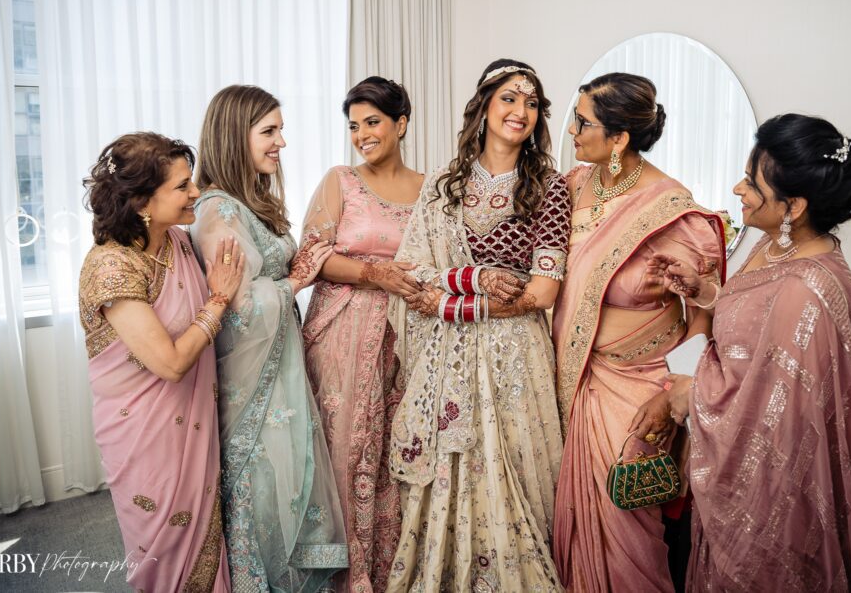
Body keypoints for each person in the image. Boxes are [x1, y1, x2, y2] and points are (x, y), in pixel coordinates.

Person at [653, 114, 851, 591]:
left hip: (771, 497)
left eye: (752, 183)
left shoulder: (808, 292)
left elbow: (772, 418)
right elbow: (755, 334)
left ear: (793, 206)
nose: (738, 189)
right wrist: (706, 293)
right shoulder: (775, 246)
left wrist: (692, 392)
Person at [385, 59, 569, 591]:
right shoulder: (444, 184)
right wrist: (476, 276)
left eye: (532, 103)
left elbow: (543, 291)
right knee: (451, 462)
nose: (521, 112)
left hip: (515, 355)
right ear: (484, 106)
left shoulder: (549, 189)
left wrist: (449, 303)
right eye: (510, 98)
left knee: (516, 472)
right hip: (449, 356)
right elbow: (411, 270)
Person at [551, 73, 726, 592]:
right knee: (569, 517)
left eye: (582, 122)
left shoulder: (670, 209)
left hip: (639, 389)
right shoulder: (573, 188)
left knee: (624, 517)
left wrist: (677, 389)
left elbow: (702, 311)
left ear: (619, 138)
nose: (572, 132)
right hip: (572, 381)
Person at [191, 85, 348, 591]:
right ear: (235, 136)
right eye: (269, 131)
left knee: (292, 479)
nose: (281, 141)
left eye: (281, 129)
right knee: (263, 488)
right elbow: (236, 305)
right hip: (250, 377)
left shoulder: (248, 201)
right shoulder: (219, 211)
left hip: (281, 360)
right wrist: (297, 281)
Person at [78, 132, 243, 591]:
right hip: (143, 434)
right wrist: (220, 300)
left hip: (192, 421)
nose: (196, 193)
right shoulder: (112, 268)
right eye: (182, 186)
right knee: (161, 548)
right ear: (142, 201)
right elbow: (170, 364)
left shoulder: (178, 243)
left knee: (207, 536)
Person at [301, 77, 424, 592]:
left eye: (372, 122)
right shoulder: (340, 180)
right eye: (353, 125)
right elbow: (310, 255)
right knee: (345, 452)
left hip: (405, 337)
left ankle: (391, 569)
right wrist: (373, 273)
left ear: (400, 123)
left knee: (396, 450)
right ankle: (345, 577)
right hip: (342, 332)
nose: (361, 135)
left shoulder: (431, 188)